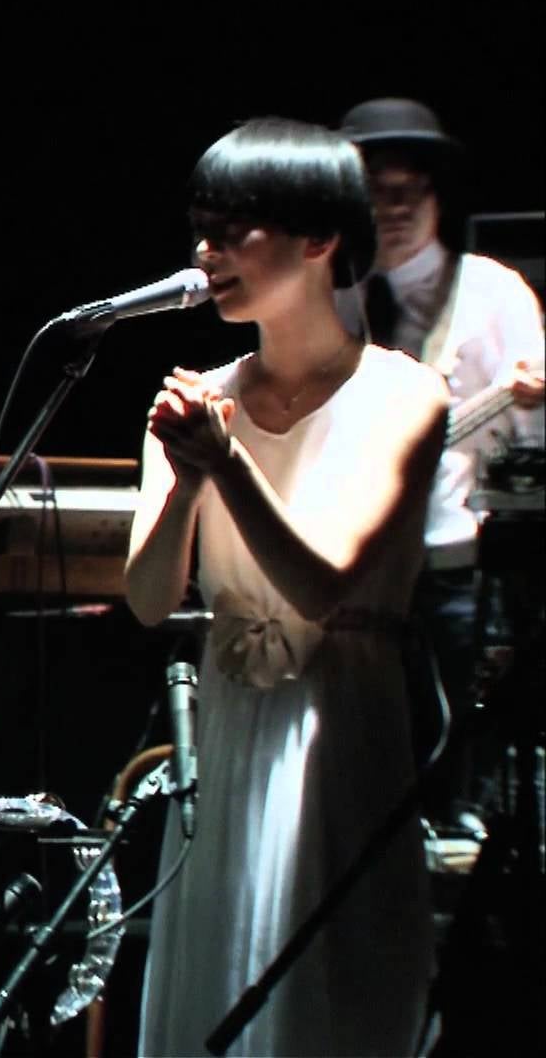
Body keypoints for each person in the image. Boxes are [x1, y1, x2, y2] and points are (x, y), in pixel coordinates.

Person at [124, 119, 447, 1055]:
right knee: (220, 985)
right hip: (232, 729)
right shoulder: (197, 398)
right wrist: (188, 482)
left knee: (327, 992)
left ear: (320, 239)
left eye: (233, 228)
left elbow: (323, 583)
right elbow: (148, 599)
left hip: (342, 730)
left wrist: (224, 463)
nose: (206, 251)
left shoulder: (404, 396)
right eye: (201, 227)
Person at [338, 96, 546, 817]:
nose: (395, 208)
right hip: (352, 572)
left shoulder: (491, 290)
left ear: (436, 195)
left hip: (457, 572)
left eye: (411, 189)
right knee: (368, 764)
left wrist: (526, 404)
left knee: (471, 766)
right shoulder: (332, 296)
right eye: (377, 190)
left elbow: (533, 449)